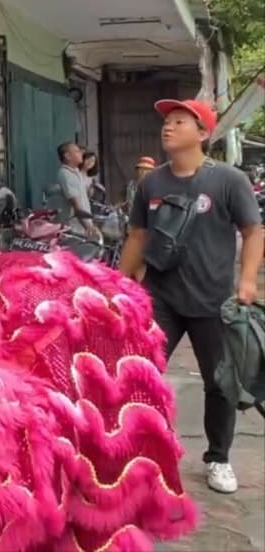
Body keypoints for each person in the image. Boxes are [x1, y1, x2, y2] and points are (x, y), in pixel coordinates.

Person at [120, 99, 263, 494]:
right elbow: (138, 237)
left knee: (220, 384)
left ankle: (218, 458)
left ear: (203, 134)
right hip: (160, 297)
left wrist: (246, 281)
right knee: (141, 375)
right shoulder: (152, 183)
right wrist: (119, 283)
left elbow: (253, 231)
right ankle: (137, 451)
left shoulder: (228, 181)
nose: (168, 127)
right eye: (166, 122)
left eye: (179, 122)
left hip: (212, 300)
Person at [53, 140, 96, 238]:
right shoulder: (66, 174)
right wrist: (89, 227)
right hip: (75, 231)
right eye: (77, 151)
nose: (81, 153)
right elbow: (77, 207)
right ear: (67, 156)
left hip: (82, 229)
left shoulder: (76, 173)